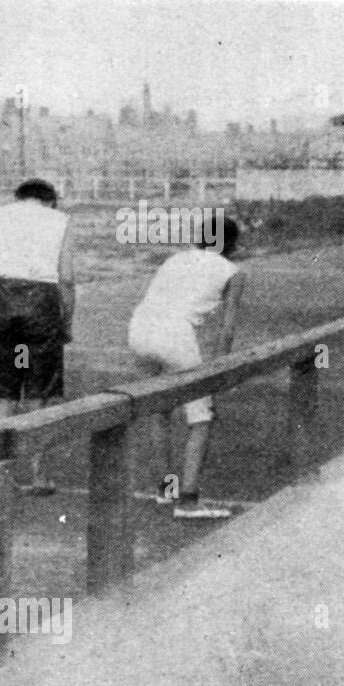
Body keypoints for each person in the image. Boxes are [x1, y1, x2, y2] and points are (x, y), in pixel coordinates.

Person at [128, 217, 245, 519]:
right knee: (201, 417)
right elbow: (227, 327)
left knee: (159, 410)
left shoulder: (175, 258)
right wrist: (220, 371)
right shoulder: (232, 271)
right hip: (174, 335)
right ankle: (189, 501)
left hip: (139, 329)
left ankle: (166, 491)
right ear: (231, 244)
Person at [0, 178, 74, 494]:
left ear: (19, 198)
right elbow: (67, 278)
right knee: (38, 394)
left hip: (2, 299)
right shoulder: (61, 221)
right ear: (50, 200)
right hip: (42, 304)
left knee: (7, 393)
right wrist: (66, 321)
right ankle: (39, 475)